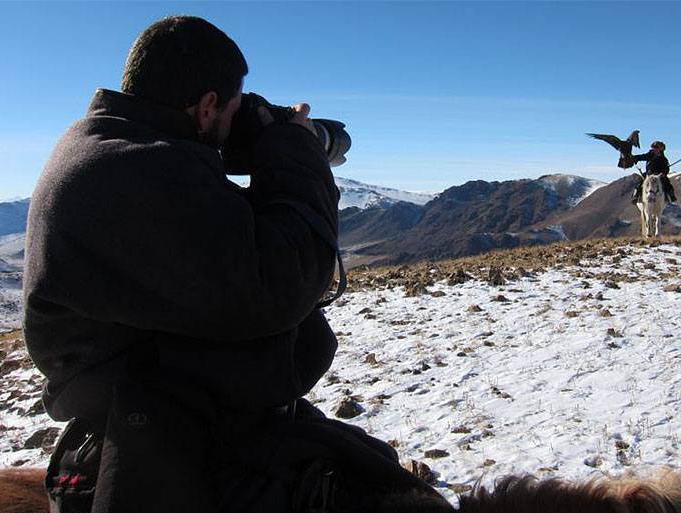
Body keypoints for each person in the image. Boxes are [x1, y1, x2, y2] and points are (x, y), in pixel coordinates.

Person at [24, 16, 442, 513]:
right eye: (232, 108)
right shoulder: (133, 168)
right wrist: (292, 149)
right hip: (161, 427)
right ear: (205, 106)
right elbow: (283, 283)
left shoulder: (112, 146)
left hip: (179, 406)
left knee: (371, 464)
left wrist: (246, 132)